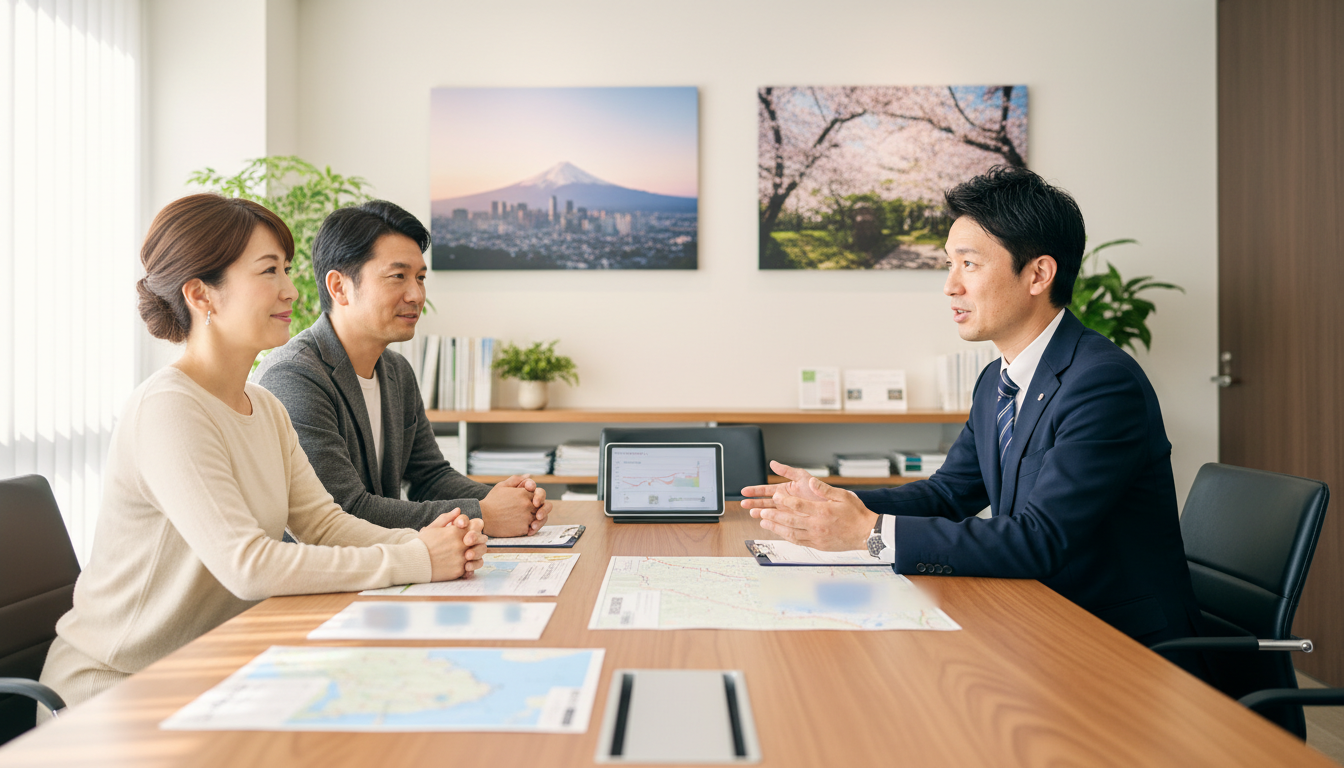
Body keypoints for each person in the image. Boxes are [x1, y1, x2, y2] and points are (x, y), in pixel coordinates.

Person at [39, 194, 487, 714]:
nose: (291, 290)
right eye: (269, 271)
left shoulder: (265, 406)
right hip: (119, 689)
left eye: (288, 270)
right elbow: (248, 565)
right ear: (201, 295)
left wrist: (433, 544)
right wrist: (413, 557)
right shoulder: (170, 409)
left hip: (213, 668)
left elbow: (326, 523)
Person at [742, 166, 1204, 651]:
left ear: (1038, 274)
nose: (950, 286)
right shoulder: (996, 381)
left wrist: (870, 532)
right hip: (1037, 619)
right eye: (949, 263)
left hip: (1116, 643)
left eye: (969, 264)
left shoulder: (1102, 384)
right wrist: (840, 503)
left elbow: (1039, 540)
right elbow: (949, 494)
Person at [254, 201, 549, 538]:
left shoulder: (396, 370)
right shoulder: (294, 376)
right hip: (322, 581)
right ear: (339, 287)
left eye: (420, 278)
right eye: (398, 277)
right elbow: (345, 511)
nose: (416, 295)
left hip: (387, 568)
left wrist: (504, 500)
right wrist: (486, 513)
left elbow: (430, 477)